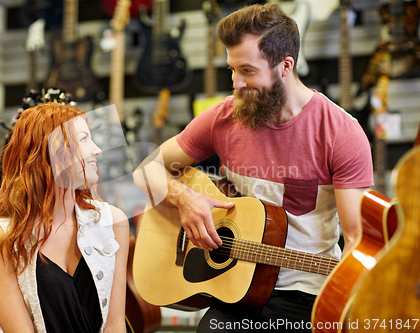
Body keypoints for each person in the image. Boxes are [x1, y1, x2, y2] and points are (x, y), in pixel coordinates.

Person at [134, 3, 373, 333]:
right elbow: (144, 172)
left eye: (247, 71)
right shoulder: (223, 118)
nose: (235, 83)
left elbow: (357, 240)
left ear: (285, 66)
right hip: (233, 287)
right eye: (232, 70)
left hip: (304, 294)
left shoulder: (341, 133)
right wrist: (184, 200)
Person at [0, 102, 129, 333]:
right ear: (51, 151)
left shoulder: (112, 222)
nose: (96, 150)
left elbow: (116, 324)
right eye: (84, 139)